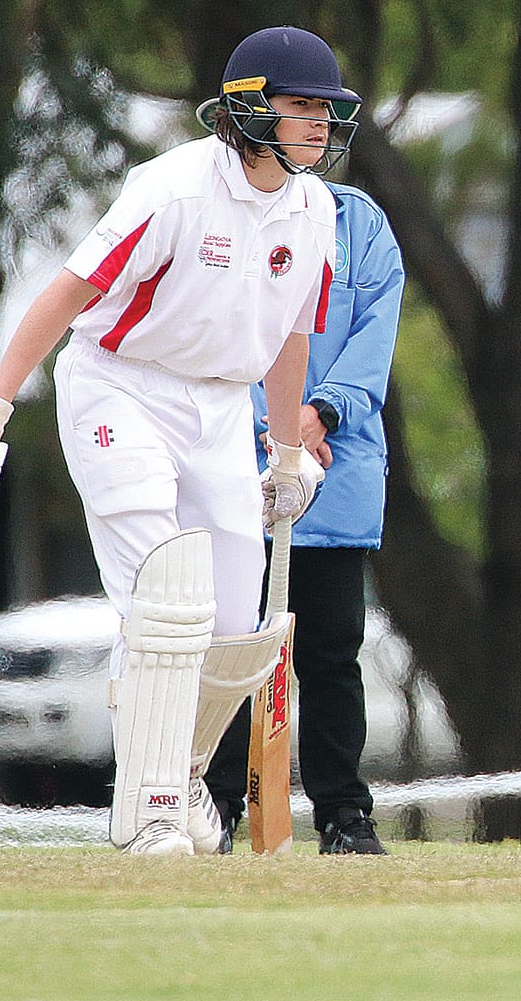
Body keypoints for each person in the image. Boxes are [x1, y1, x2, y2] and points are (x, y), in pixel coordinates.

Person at [0, 25, 358, 855]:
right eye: (302, 106)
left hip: (222, 407)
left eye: (326, 110)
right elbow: (69, 293)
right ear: (250, 109)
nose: (320, 124)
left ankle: (179, 774)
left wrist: (286, 451)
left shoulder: (316, 212)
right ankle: (148, 805)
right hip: (120, 384)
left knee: (234, 629)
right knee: (163, 602)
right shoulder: (173, 189)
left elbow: (291, 337)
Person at [204, 179, 404, 855]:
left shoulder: (359, 223)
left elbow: (375, 333)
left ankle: (343, 814)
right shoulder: (221, 208)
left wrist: (323, 411)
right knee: (231, 648)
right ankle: (215, 807)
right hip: (236, 464)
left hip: (335, 469)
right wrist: (273, 427)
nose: (319, 130)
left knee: (331, 655)